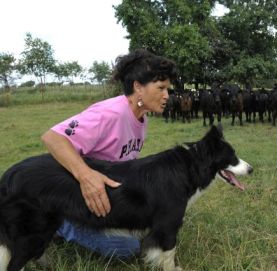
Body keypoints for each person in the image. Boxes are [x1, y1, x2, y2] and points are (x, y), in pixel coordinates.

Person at [41, 49, 177, 258]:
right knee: (128, 248)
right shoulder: (109, 113)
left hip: (107, 199)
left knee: (155, 226)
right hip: (75, 197)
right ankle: (59, 222)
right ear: (138, 87)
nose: (166, 95)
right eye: (161, 88)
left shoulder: (141, 118)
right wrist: (86, 176)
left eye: (167, 89)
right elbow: (53, 138)